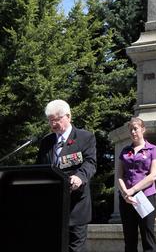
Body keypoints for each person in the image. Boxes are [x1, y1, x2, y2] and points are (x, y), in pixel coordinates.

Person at [36, 99, 97, 252]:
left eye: (56, 120)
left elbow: (90, 163)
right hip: (53, 206)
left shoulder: (85, 137)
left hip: (76, 205)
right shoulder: (46, 142)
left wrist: (80, 177)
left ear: (68, 116)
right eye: (50, 121)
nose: (53, 125)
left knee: (75, 249)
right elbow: (40, 168)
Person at [117, 117, 156, 252]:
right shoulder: (125, 151)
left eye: (135, 129)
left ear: (143, 129)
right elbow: (119, 176)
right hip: (127, 200)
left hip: (145, 197)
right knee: (129, 240)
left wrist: (133, 190)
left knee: (148, 238)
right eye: (131, 130)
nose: (133, 132)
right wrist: (125, 193)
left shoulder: (153, 150)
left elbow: (153, 176)